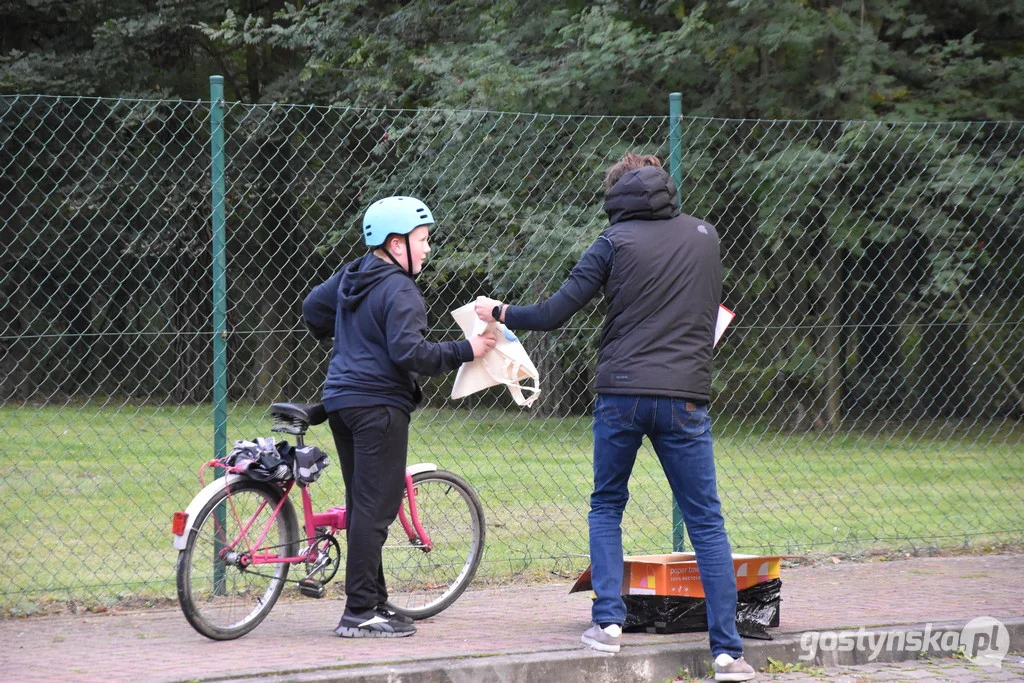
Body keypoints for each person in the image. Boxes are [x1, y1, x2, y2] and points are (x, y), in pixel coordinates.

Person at [474, 153, 755, 681]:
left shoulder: (613, 242)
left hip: (622, 393)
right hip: (686, 398)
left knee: (607, 504)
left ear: (616, 198)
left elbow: (555, 313)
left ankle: (607, 624)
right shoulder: (705, 237)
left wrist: (500, 312)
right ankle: (728, 654)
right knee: (707, 523)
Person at [303, 196, 496, 639]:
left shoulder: (354, 273)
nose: (428, 249)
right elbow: (411, 353)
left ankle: (375, 603)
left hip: (341, 401)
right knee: (376, 508)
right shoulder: (401, 289)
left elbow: (314, 310)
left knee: (363, 504)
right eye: (422, 240)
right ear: (395, 243)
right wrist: (467, 350)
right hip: (378, 406)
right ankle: (358, 614)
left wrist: (353, 337)